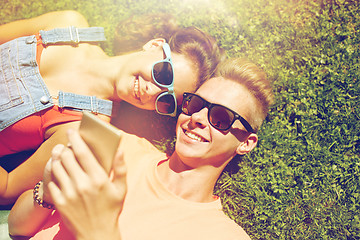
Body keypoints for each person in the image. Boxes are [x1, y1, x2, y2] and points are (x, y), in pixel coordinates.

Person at [8, 57, 274, 240]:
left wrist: (99, 230)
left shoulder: (222, 235)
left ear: (246, 143)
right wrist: (46, 192)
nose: (198, 119)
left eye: (221, 118)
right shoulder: (119, 146)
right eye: (195, 105)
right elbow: (17, 227)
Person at [0, 10, 224, 204]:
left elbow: (8, 189)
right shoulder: (68, 25)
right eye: (163, 74)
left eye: (167, 100)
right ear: (155, 45)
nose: (152, 92)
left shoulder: (83, 128)